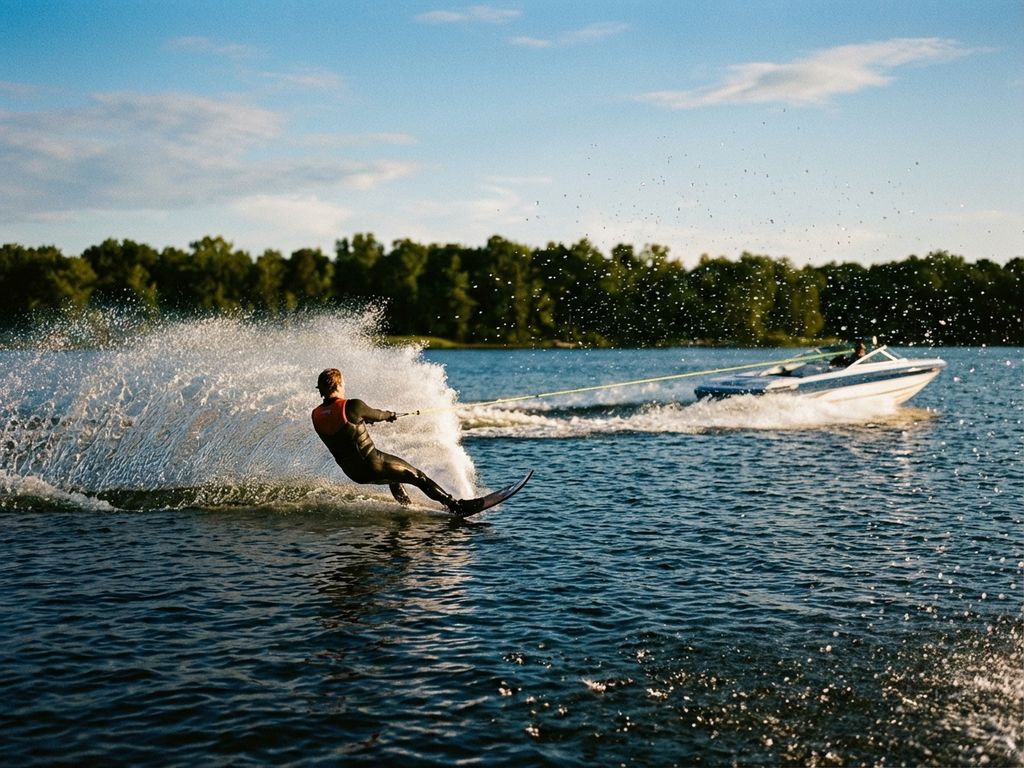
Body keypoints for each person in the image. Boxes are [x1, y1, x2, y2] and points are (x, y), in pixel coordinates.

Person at [311, 368, 466, 513]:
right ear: (338, 384)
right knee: (419, 477)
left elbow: (343, 430)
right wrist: (390, 415)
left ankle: (407, 507)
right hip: (373, 464)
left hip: (354, 473)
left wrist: (362, 419)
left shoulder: (316, 415)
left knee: (394, 478)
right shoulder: (352, 406)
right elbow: (378, 415)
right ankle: (455, 506)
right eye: (343, 383)